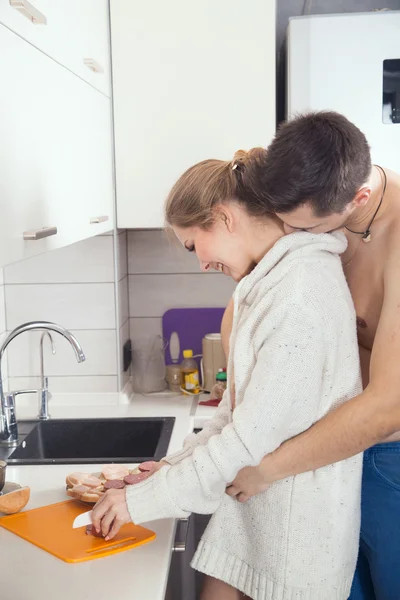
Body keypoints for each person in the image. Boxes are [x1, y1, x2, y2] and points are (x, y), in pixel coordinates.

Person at [92, 150, 362, 600]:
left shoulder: (298, 296)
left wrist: (139, 501)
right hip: (257, 514)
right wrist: (167, 471)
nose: (199, 263)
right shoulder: (271, 284)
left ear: (222, 217)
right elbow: (237, 416)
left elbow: (247, 440)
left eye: (193, 245)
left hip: (295, 536)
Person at [223, 111, 400, 600]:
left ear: (358, 199)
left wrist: (269, 468)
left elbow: (387, 409)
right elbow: (251, 299)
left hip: (390, 462)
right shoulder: (313, 201)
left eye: (311, 228)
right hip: (324, 455)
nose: (300, 237)